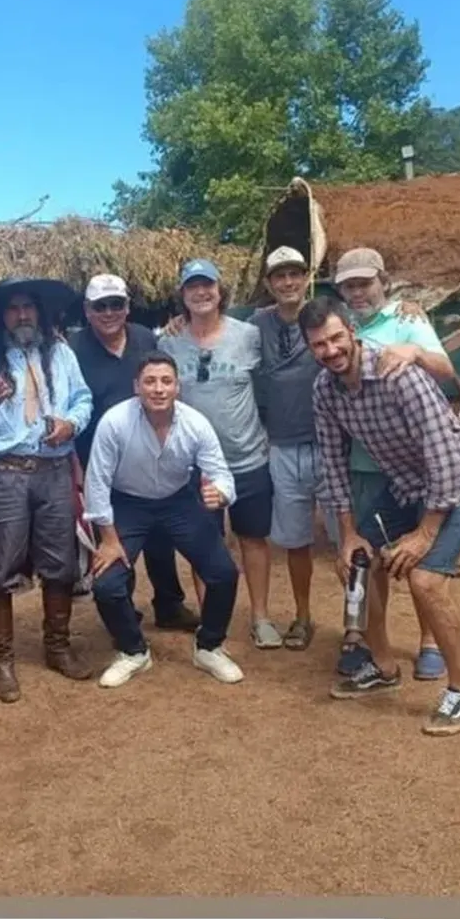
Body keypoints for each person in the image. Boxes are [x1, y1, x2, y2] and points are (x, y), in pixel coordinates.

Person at [303, 295, 460, 736]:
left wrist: (426, 535)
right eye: (319, 345)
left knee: (426, 581)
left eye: (335, 338)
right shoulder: (324, 390)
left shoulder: (398, 376)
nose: (330, 351)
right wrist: (348, 535)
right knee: (359, 566)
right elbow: (332, 463)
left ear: (352, 331)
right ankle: (383, 668)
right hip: (407, 482)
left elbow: (443, 454)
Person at [0, 275, 94, 702]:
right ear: (1, 316)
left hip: (54, 470)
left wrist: (71, 423)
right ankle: (2, 661)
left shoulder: (62, 353)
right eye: (13, 308)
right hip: (3, 473)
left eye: (27, 307)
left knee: (61, 562)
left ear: (39, 311)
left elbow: (83, 398)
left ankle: (58, 647)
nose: (21, 315)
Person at [331, 246, 458, 683]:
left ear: (383, 281)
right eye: (350, 286)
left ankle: (429, 642)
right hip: (367, 463)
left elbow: (446, 368)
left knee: (423, 555)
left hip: (418, 461)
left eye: (365, 283)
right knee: (370, 558)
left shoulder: (407, 319)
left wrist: (414, 352)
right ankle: (374, 644)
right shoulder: (343, 327)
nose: (359, 292)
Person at [84, 351, 244, 688]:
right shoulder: (114, 422)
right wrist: (109, 540)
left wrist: (221, 494)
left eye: (166, 381)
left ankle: (209, 646)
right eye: (150, 381)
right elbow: (96, 483)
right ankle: (133, 651)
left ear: (177, 387)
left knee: (224, 573)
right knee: (107, 584)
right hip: (127, 504)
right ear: (136, 387)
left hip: (178, 502)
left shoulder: (195, 423)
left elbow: (221, 474)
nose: (158, 389)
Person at [69, 273, 200, 633]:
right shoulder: (73, 349)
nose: (109, 312)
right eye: (100, 306)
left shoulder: (145, 338)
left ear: (127, 307)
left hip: (151, 457)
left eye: (116, 304)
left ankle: (170, 605)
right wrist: (76, 467)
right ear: (87, 310)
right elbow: (66, 406)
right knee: (116, 543)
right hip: (100, 464)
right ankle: (124, 619)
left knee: (161, 539)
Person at [158, 260, 277, 647]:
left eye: (207, 285)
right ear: (183, 295)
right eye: (192, 287)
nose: (201, 292)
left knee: (253, 539)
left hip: (247, 457)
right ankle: (214, 623)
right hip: (196, 465)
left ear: (219, 290)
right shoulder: (169, 343)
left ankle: (260, 617)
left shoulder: (248, 336)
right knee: (205, 543)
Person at [247, 246, 339, 650]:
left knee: (347, 538)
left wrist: (407, 308)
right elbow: (209, 326)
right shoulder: (257, 325)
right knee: (296, 542)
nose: (287, 282)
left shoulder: (326, 319)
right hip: (282, 447)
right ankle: (303, 616)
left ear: (307, 277)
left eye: (294, 274)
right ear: (268, 284)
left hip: (330, 445)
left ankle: (360, 623)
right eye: (279, 276)